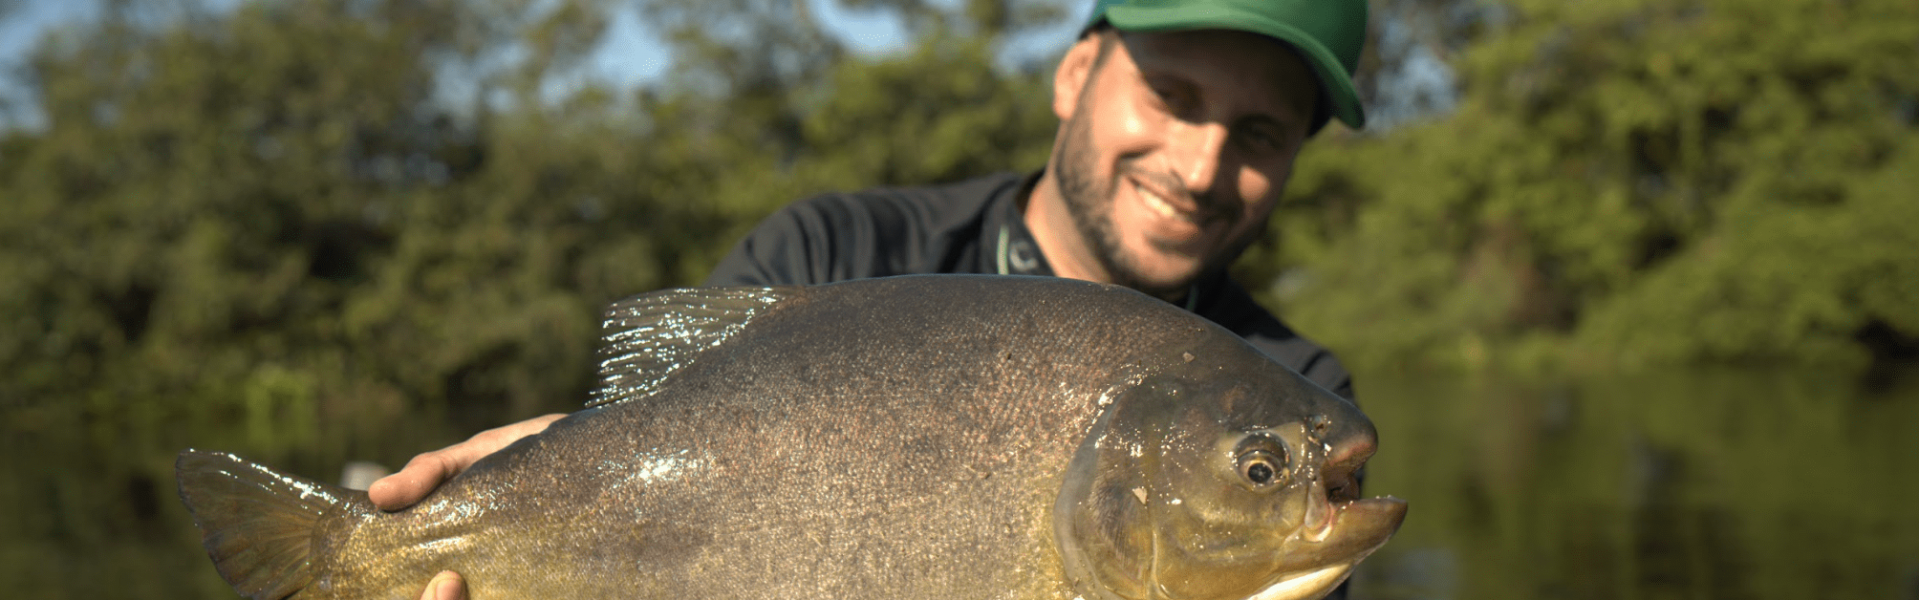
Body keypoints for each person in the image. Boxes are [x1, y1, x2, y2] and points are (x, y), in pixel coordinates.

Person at [382, 0, 1370, 597]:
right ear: (1075, 75)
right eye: (1172, 96)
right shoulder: (830, 249)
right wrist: (546, 490)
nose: (1198, 165)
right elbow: (654, 439)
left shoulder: (1291, 390)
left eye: (1256, 133)